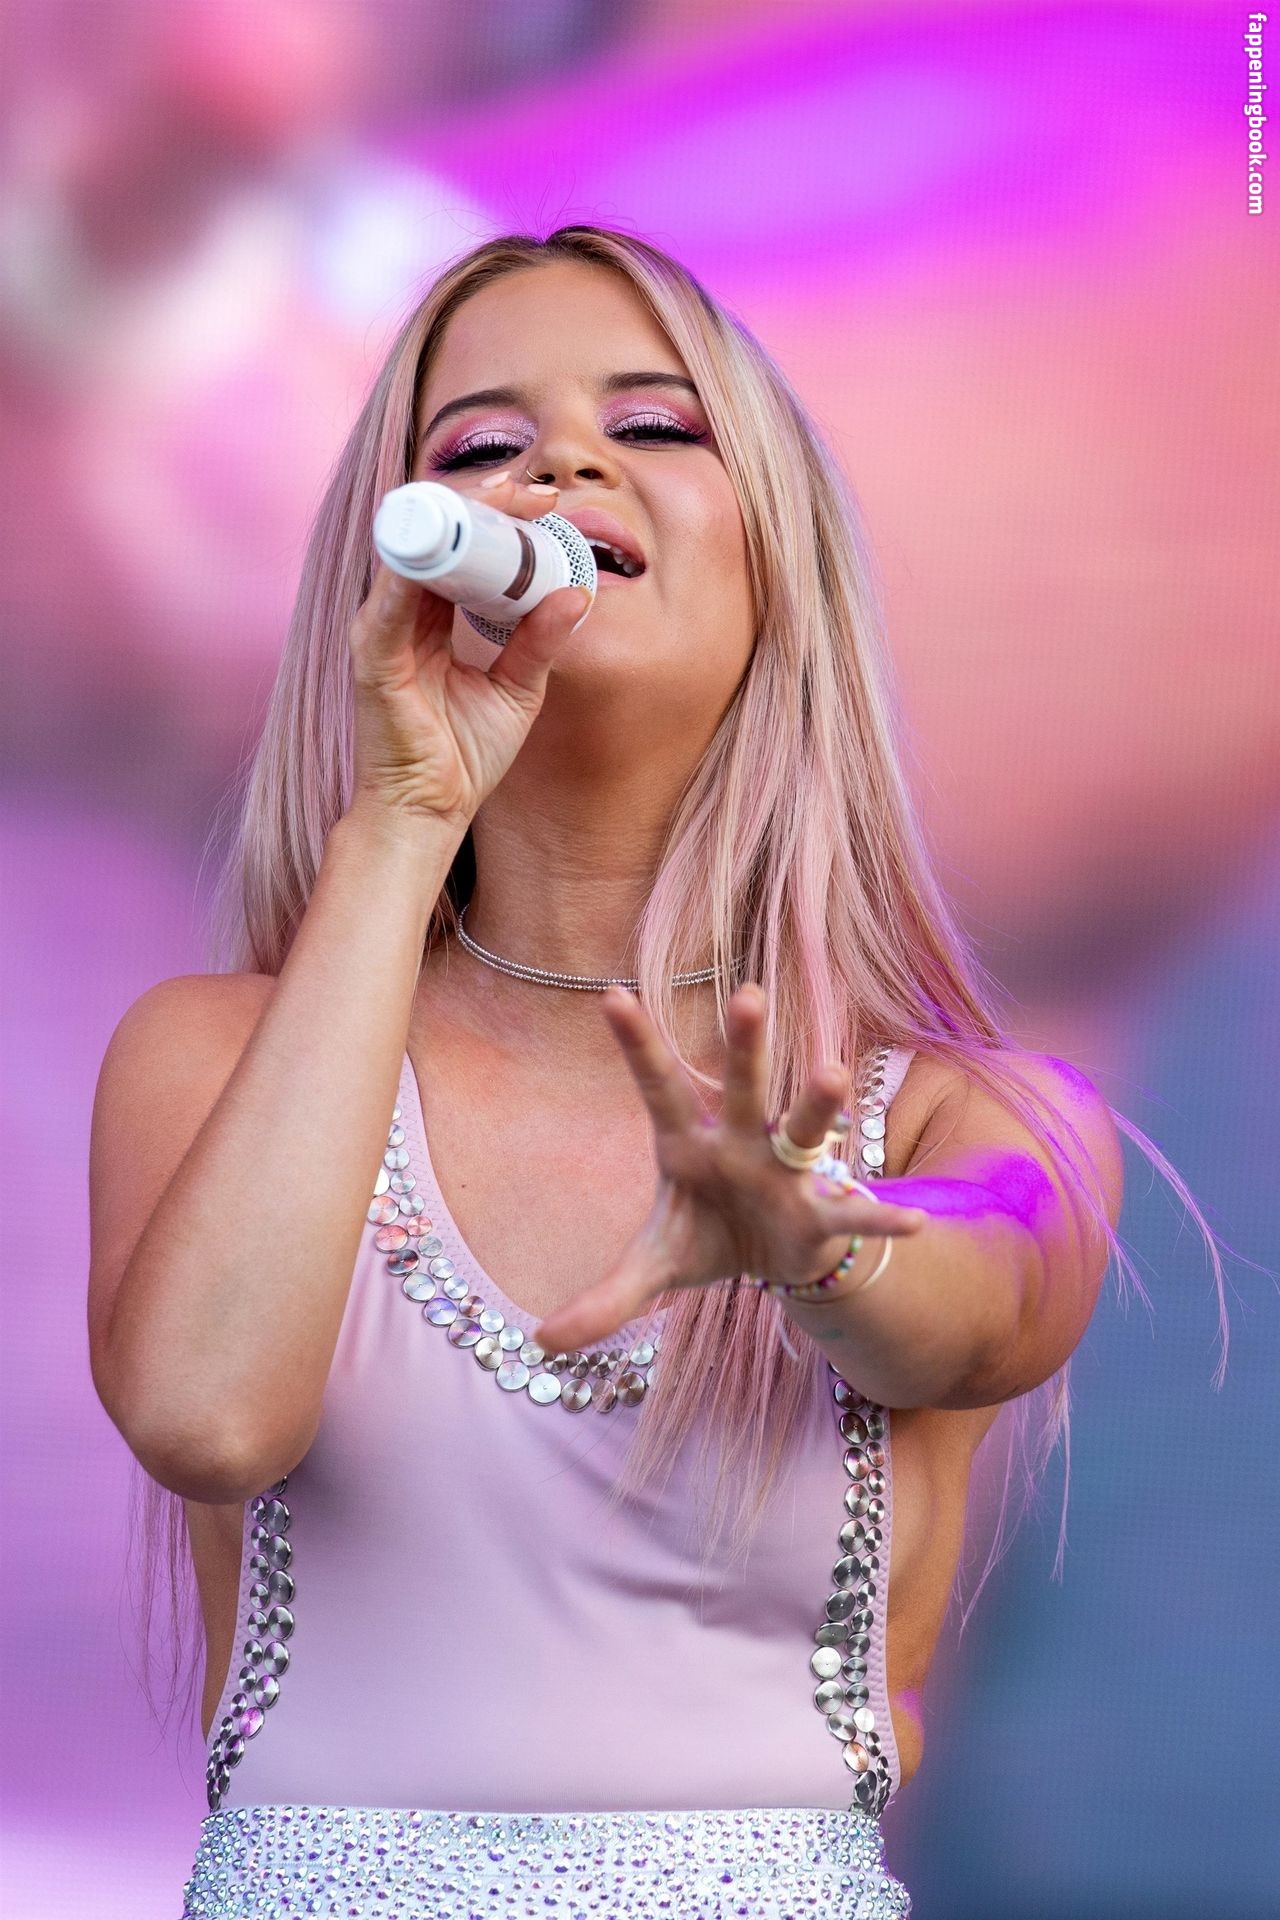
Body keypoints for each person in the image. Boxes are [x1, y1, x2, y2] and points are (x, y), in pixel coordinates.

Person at [90, 224, 1194, 1918]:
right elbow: (207, 1415)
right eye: (481, 446)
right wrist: (405, 814)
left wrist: (817, 1244)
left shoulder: (978, 1116)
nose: (561, 463)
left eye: (654, 424)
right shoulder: (213, 1053)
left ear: (778, 568)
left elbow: (981, 1290)